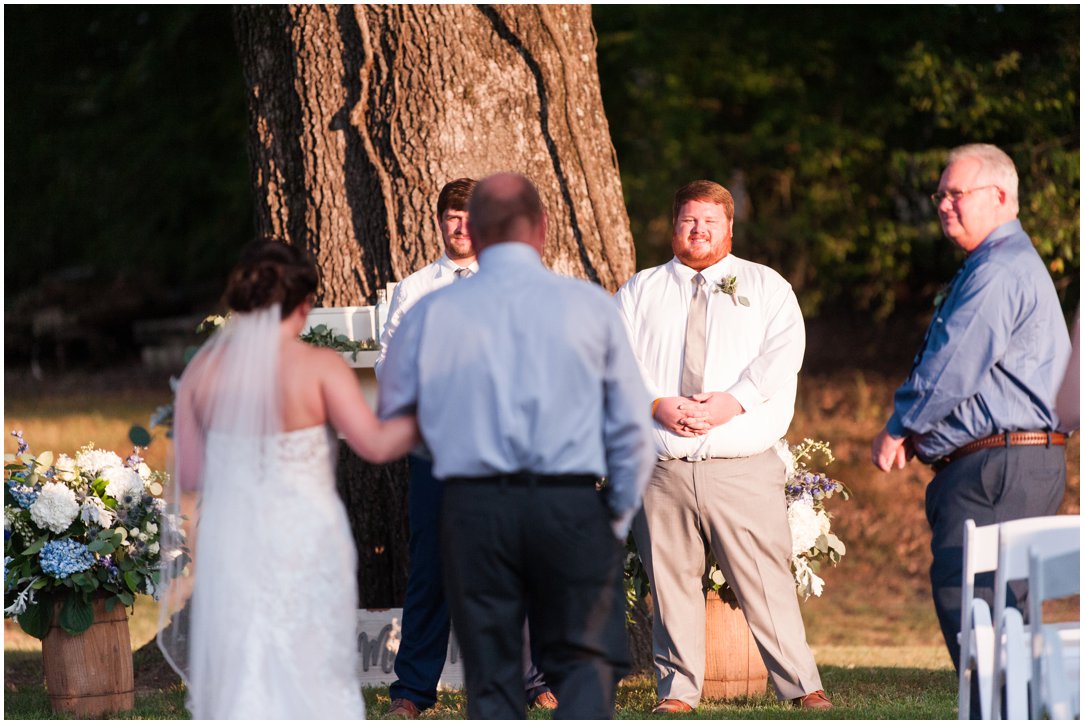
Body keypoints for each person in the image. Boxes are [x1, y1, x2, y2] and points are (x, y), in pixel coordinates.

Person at [379, 173, 655, 719]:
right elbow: (632, 429)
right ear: (543, 229)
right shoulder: (590, 306)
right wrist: (614, 515)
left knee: (493, 677)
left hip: (474, 505)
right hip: (571, 504)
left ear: (474, 231)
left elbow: (395, 417)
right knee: (584, 669)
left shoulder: (433, 313)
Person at [159, 238, 419, 719]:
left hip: (233, 538)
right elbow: (377, 445)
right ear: (304, 304)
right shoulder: (319, 366)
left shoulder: (202, 370)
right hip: (306, 537)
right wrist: (426, 409)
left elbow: (191, 475)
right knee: (312, 664)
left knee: (245, 664)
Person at [614, 180, 831, 713]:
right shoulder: (640, 290)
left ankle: (803, 686)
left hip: (741, 464)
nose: (698, 230)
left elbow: (784, 353)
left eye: (710, 221)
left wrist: (731, 402)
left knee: (765, 579)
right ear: (673, 227)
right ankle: (678, 692)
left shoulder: (766, 286)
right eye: (689, 220)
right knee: (670, 585)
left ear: (729, 228)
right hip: (662, 465)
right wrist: (655, 404)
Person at [871, 143, 1071, 670]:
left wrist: (901, 425)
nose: (943, 204)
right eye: (940, 194)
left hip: (996, 472)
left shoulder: (999, 268)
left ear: (1000, 195)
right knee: (1003, 618)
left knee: (981, 617)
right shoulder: (1004, 262)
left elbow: (954, 360)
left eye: (956, 193)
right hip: (1011, 464)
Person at [375, 178, 557, 718]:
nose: (460, 227)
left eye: (468, 217)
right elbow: (391, 368)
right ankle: (412, 691)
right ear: (439, 223)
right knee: (431, 568)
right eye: (451, 218)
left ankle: (533, 680)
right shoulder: (414, 289)